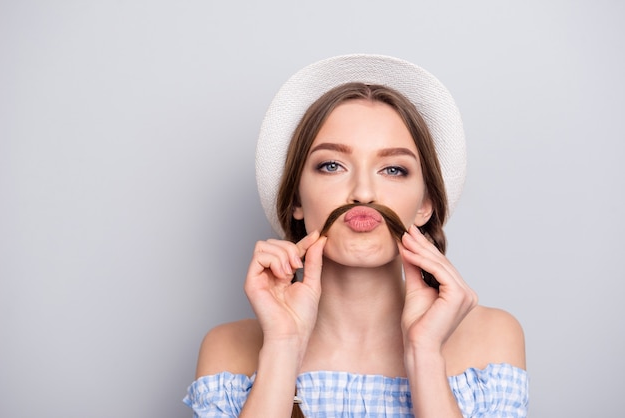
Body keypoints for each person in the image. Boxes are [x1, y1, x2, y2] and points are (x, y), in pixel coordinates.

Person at [183, 54, 528, 417]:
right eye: (332, 165)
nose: (363, 192)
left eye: (393, 169)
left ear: (425, 204)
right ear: (296, 199)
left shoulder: (492, 339)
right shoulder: (228, 349)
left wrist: (424, 352)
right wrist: (283, 346)